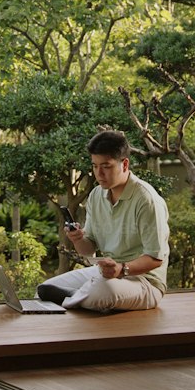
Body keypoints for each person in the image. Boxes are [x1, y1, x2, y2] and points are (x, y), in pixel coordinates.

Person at [36, 129, 169, 312]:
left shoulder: (146, 200)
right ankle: (81, 296)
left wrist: (121, 269)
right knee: (43, 289)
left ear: (124, 164)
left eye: (106, 166)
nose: (99, 173)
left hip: (145, 282)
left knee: (103, 291)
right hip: (106, 273)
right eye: (94, 166)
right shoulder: (96, 195)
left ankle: (79, 296)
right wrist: (77, 239)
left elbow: (155, 258)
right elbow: (88, 250)